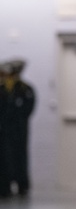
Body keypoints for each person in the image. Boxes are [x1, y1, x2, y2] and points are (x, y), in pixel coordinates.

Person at [0, 58, 35, 197]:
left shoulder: (25, 89)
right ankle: (4, 186)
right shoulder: (2, 89)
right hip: (3, 131)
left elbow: (28, 108)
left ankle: (22, 185)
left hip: (19, 130)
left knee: (20, 157)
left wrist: (17, 120)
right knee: (4, 159)